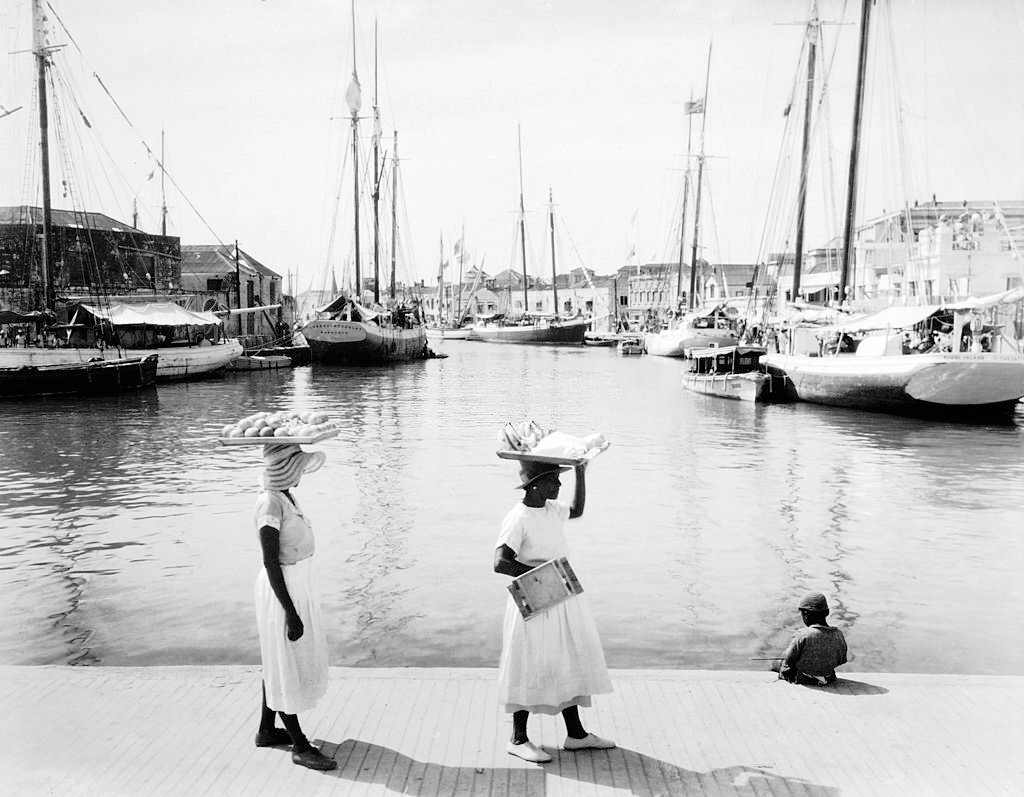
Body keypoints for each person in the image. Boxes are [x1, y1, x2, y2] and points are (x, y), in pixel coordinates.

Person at [493, 459, 614, 764]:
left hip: (558, 598)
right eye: (554, 480)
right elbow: (500, 562)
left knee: (564, 659)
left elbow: (577, 510)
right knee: (528, 662)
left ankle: (576, 734)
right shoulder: (518, 517)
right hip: (533, 599)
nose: (559, 486)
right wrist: (542, 573)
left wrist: (581, 474)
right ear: (535, 484)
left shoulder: (551, 510)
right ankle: (518, 738)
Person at [253, 442, 337, 771]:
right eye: (297, 466)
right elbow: (270, 561)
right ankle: (300, 746)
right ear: (286, 469)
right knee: (285, 662)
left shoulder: (285, 495)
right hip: (282, 588)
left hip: (297, 583)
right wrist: (289, 610)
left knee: (278, 658)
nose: (302, 472)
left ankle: (266, 730)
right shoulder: (269, 503)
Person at [772, 592, 848, 686]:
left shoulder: (802, 635)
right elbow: (841, 660)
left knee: (777, 662)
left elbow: (789, 660)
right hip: (829, 677)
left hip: (804, 678)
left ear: (805, 614)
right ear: (827, 613)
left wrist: (785, 669)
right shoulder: (839, 634)